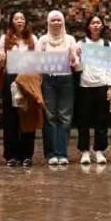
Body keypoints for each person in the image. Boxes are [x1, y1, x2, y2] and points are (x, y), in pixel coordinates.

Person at [36, 10, 82, 166]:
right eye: (53, 20)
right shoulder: (43, 40)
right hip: (48, 80)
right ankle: (51, 154)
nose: (56, 23)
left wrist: (74, 59)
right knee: (50, 117)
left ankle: (62, 153)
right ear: (48, 23)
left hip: (66, 80)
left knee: (65, 117)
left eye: (59, 20)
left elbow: (76, 65)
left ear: (63, 22)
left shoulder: (70, 39)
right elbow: (36, 62)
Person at [76, 15, 111, 165]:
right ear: (88, 26)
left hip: (102, 85)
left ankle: (99, 150)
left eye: (98, 22)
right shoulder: (81, 44)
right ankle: (85, 151)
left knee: (102, 120)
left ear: (102, 26)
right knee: (83, 121)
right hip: (85, 86)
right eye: (93, 23)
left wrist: (110, 86)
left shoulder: (107, 44)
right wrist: (77, 58)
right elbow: (77, 67)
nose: (96, 25)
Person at [0, 11, 37, 166]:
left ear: (26, 22)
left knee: (27, 116)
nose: (19, 21)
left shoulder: (33, 39)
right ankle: (11, 155)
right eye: (16, 18)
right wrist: (1, 58)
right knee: (11, 117)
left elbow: (38, 59)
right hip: (11, 78)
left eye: (22, 18)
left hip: (28, 79)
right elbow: (0, 59)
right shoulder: (4, 38)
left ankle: (27, 155)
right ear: (11, 22)